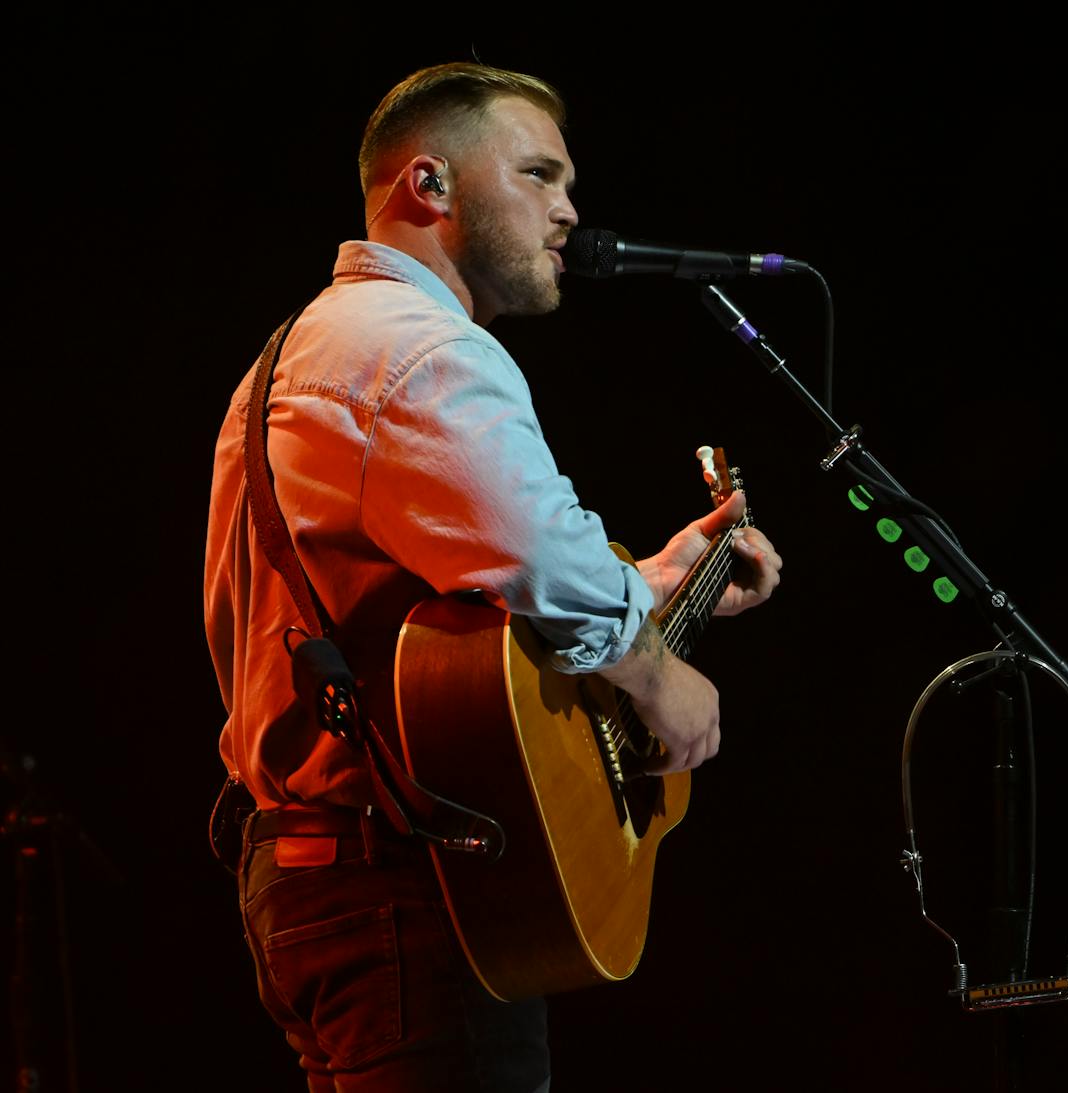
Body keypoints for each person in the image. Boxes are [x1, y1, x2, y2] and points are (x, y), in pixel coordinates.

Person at [203, 61, 782, 1092]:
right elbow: (543, 561)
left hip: (317, 881)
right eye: (538, 175)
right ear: (429, 185)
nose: (570, 210)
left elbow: (476, 586)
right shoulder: (415, 348)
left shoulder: (297, 353)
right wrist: (658, 676)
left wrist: (654, 582)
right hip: (409, 890)